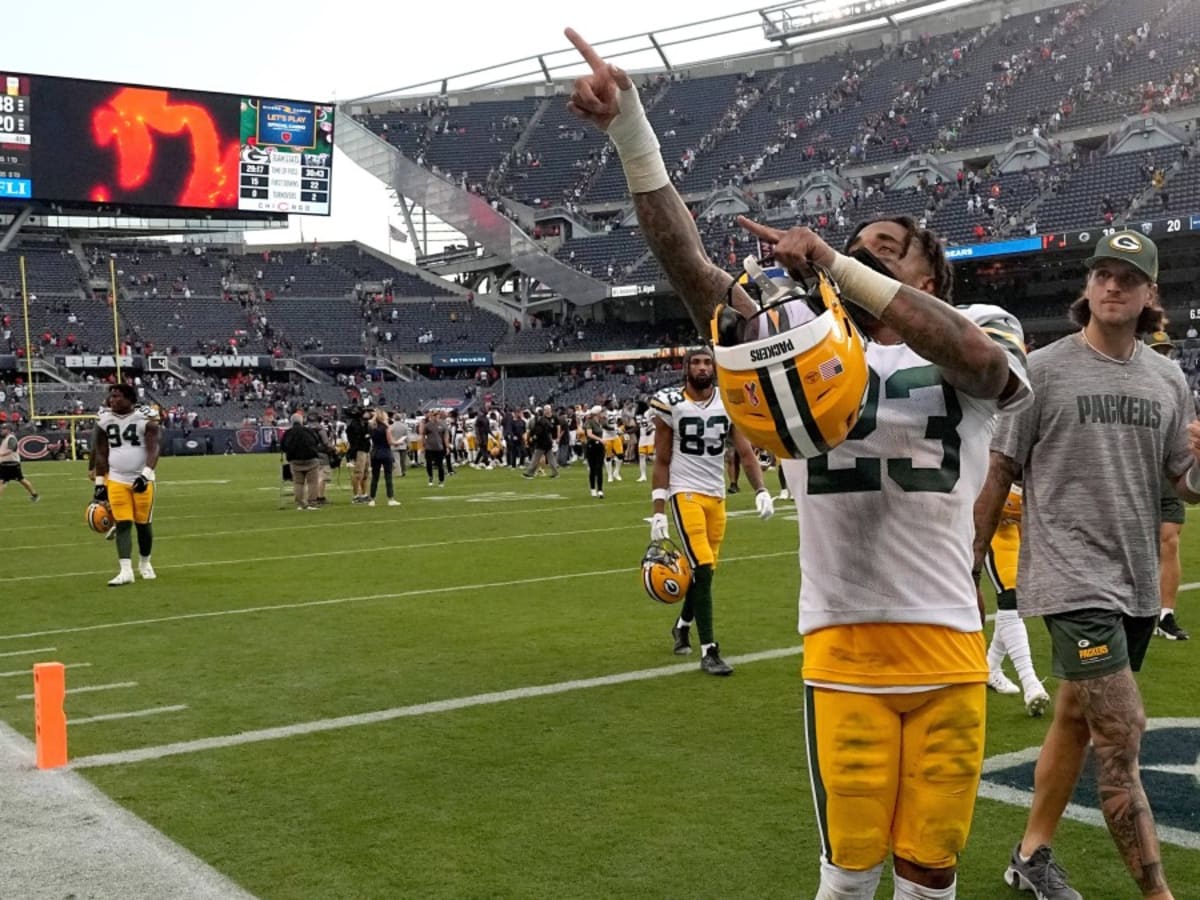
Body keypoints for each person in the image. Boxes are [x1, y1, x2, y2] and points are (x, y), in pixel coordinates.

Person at [565, 28, 1029, 897]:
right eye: (861, 240)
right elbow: (691, 269)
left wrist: (837, 262)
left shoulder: (981, 327)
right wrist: (634, 132)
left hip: (950, 641)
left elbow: (983, 366)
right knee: (849, 877)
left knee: (933, 872)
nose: (870, 246)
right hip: (843, 645)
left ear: (932, 266)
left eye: (890, 241)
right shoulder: (803, 345)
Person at [974, 231, 1200, 900]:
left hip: (1132, 583)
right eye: (1102, 273)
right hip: (1071, 580)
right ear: (1087, 286)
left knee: (1076, 717)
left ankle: (1030, 855)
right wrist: (967, 570)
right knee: (1122, 734)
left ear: (1149, 294)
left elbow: (1183, 484)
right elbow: (999, 474)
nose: (1111, 286)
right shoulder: (1041, 370)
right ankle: (1159, 895)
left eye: (1127, 278)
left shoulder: (1167, 378)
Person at [650, 348, 773, 676]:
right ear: (686, 368)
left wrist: (761, 490)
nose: (703, 367)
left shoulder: (729, 402)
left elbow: (746, 453)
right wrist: (659, 510)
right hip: (684, 493)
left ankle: (682, 625)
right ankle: (709, 651)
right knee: (701, 567)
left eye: (708, 362)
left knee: (704, 574)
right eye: (697, 362)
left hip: (716, 497)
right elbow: (662, 460)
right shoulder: (671, 404)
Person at [983, 481, 1051, 714]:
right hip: (986, 524)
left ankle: (990, 666)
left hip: (1011, 529)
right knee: (1009, 596)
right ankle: (1029, 682)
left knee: (1014, 600)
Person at [92, 383, 161, 585]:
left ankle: (145, 562)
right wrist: (99, 482)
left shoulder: (145, 419)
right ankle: (125, 571)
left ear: (130, 399)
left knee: (143, 525)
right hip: (116, 479)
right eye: (111, 396)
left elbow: (154, 448)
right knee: (122, 523)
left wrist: (146, 475)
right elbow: (101, 452)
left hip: (141, 478)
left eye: (117, 396)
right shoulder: (104, 420)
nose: (112, 400)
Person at [1145, 330, 1190, 640]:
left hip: (1167, 472)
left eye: (1166, 350)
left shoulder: (1176, 384)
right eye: (1157, 350)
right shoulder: (1129, 378)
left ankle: (1165, 615)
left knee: (1169, 539)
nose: (1163, 355)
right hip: (1135, 470)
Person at [281, 410, 321, 512]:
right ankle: (312, 502)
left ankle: (300, 504)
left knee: (298, 483)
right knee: (312, 482)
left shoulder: (288, 433)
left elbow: (283, 446)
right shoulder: (308, 431)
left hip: (295, 461)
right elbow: (317, 441)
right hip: (311, 460)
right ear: (302, 421)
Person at [367, 408, 400, 507]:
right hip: (385, 452)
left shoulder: (372, 427)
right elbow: (390, 442)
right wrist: (397, 442)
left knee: (375, 477)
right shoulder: (386, 427)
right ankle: (390, 498)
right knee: (388, 477)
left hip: (375, 452)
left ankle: (372, 499)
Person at [0, 422, 38, 503]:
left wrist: (1, 454)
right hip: (6, 463)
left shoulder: (11, 438)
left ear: (8, 430)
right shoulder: (6, 439)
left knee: (7, 481)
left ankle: (34, 494)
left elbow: (11, 449)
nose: (1, 430)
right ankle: (34, 494)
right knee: (18, 480)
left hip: (11, 463)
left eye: (4, 429)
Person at [523, 405, 559, 478]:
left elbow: (537, 431)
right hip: (548, 441)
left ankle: (530, 473)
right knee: (551, 458)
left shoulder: (540, 421)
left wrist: (533, 437)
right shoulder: (545, 420)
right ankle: (555, 473)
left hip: (542, 442)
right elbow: (551, 428)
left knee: (535, 458)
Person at [345, 407, 371, 504]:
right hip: (359, 450)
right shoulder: (355, 425)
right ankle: (356, 495)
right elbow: (356, 439)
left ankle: (364, 494)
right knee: (358, 473)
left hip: (364, 449)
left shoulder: (362, 423)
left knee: (365, 473)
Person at [421, 409, 448, 487]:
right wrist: (423, 445)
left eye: (437, 415)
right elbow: (423, 434)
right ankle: (430, 477)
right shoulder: (428, 425)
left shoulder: (442, 425)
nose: (436, 416)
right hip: (429, 447)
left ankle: (441, 480)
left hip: (439, 447)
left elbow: (445, 436)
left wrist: (447, 446)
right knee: (429, 464)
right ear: (431, 416)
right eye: (434, 415)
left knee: (440, 465)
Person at [583, 405, 606, 498]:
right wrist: (600, 439)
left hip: (600, 447)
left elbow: (608, 427)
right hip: (591, 446)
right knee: (592, 468)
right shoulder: (589, 422)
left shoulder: (601, 422)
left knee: (599, 468)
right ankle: (593, 488)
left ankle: (600, 490)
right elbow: (589, 434)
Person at [388, 409, 409, 479]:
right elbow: (407, 436)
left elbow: (389, 436)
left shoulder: (391, 427)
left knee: (397, 460)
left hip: (394, 444)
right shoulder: (405, 426)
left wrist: (392, 442)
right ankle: (404, 471)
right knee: (403, 460)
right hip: (403, 444)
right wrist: (408, 444)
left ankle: (398, 472)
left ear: (394, 418)